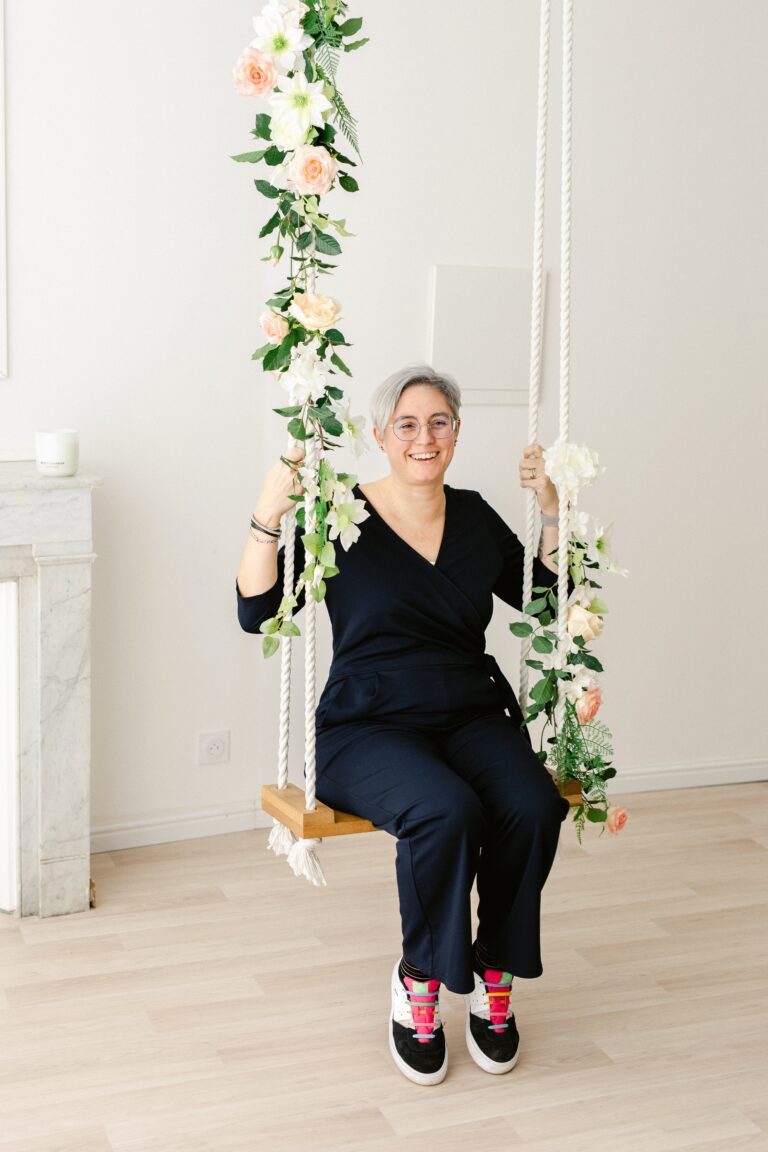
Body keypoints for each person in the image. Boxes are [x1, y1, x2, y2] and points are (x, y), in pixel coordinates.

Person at [236, 365, 571, 1087]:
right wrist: (269, 513)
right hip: (368, 724)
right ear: (382, 436)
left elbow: (543, 601)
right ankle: (419, 980)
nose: (426, 437)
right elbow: (258, 612)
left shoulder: (477, 515)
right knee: (445, 812)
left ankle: (493, 970)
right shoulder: (342, 517)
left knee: (533, 803)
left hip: (470, 710)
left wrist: (549, 509)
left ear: (456, 434)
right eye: (409, 425)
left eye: (440, 422)